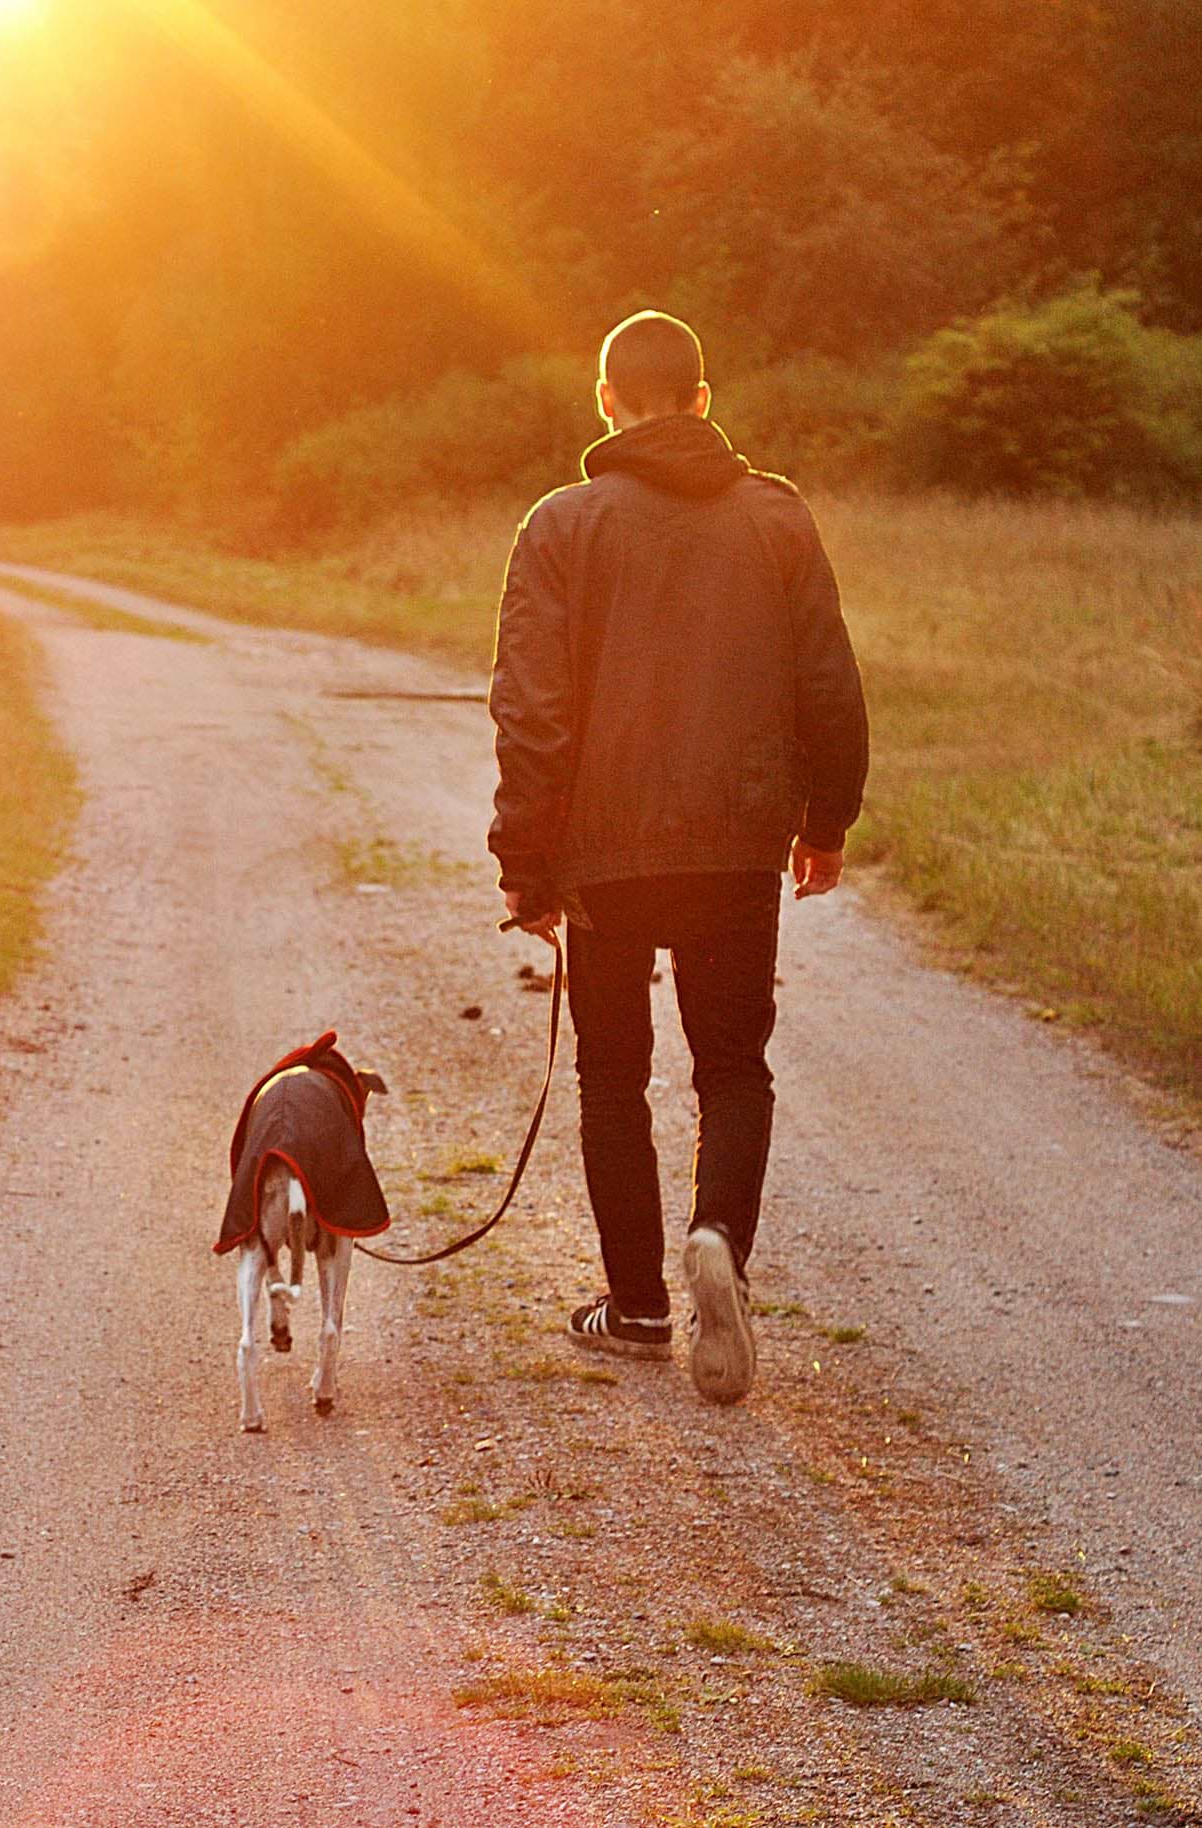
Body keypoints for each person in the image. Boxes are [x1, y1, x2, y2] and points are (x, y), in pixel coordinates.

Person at [486, 309, 869, 1404]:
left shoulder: (559, 526)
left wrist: (526, 857)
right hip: (738, 845)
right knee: (733, 1065)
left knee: (613, 1077)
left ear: (604, 398)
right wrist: (823, 822)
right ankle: (717, 1245)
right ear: (703, 400)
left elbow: (531, 709)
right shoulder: (776, 519)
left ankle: (639, 1307)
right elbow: (828, 684)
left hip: (601, 855)